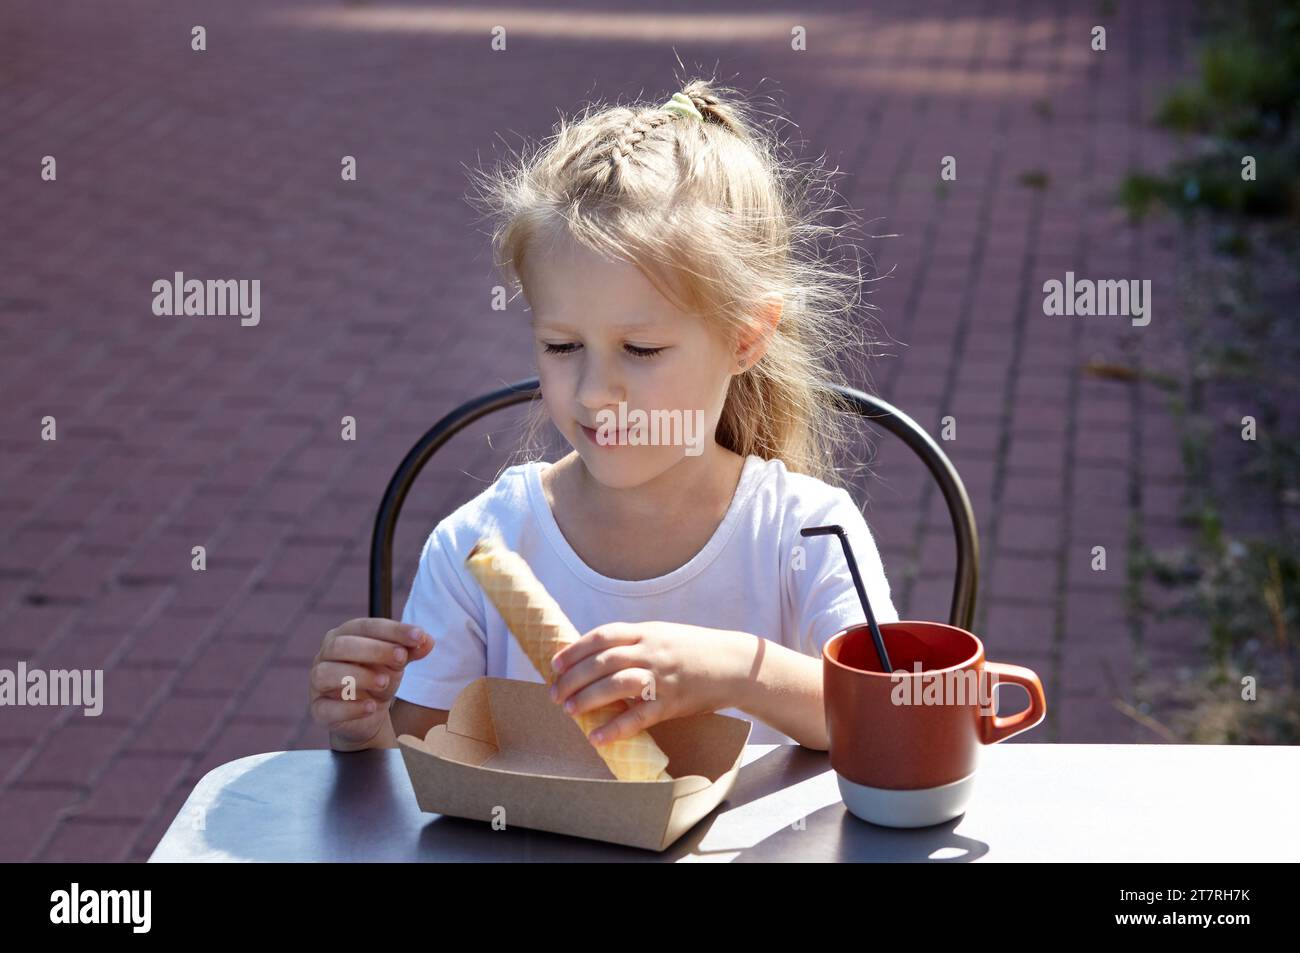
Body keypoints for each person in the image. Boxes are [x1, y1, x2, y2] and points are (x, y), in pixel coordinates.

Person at [309, 77, 897, 753]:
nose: (593, 392)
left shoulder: (809, 533)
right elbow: (423, 763)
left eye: (640, 349)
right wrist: (364, 728)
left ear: (745, 337)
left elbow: (887, 724)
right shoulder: (483, 542)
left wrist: (738, 672)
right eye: (562, 346)